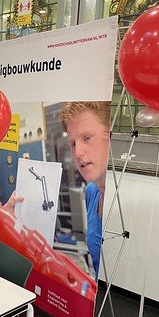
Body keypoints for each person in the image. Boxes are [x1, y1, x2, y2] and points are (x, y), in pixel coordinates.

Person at [59, 101, 111, 280]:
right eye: (72, 143)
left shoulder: (131, 199)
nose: (78, 152)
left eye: (87, 138)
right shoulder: (92, 192)